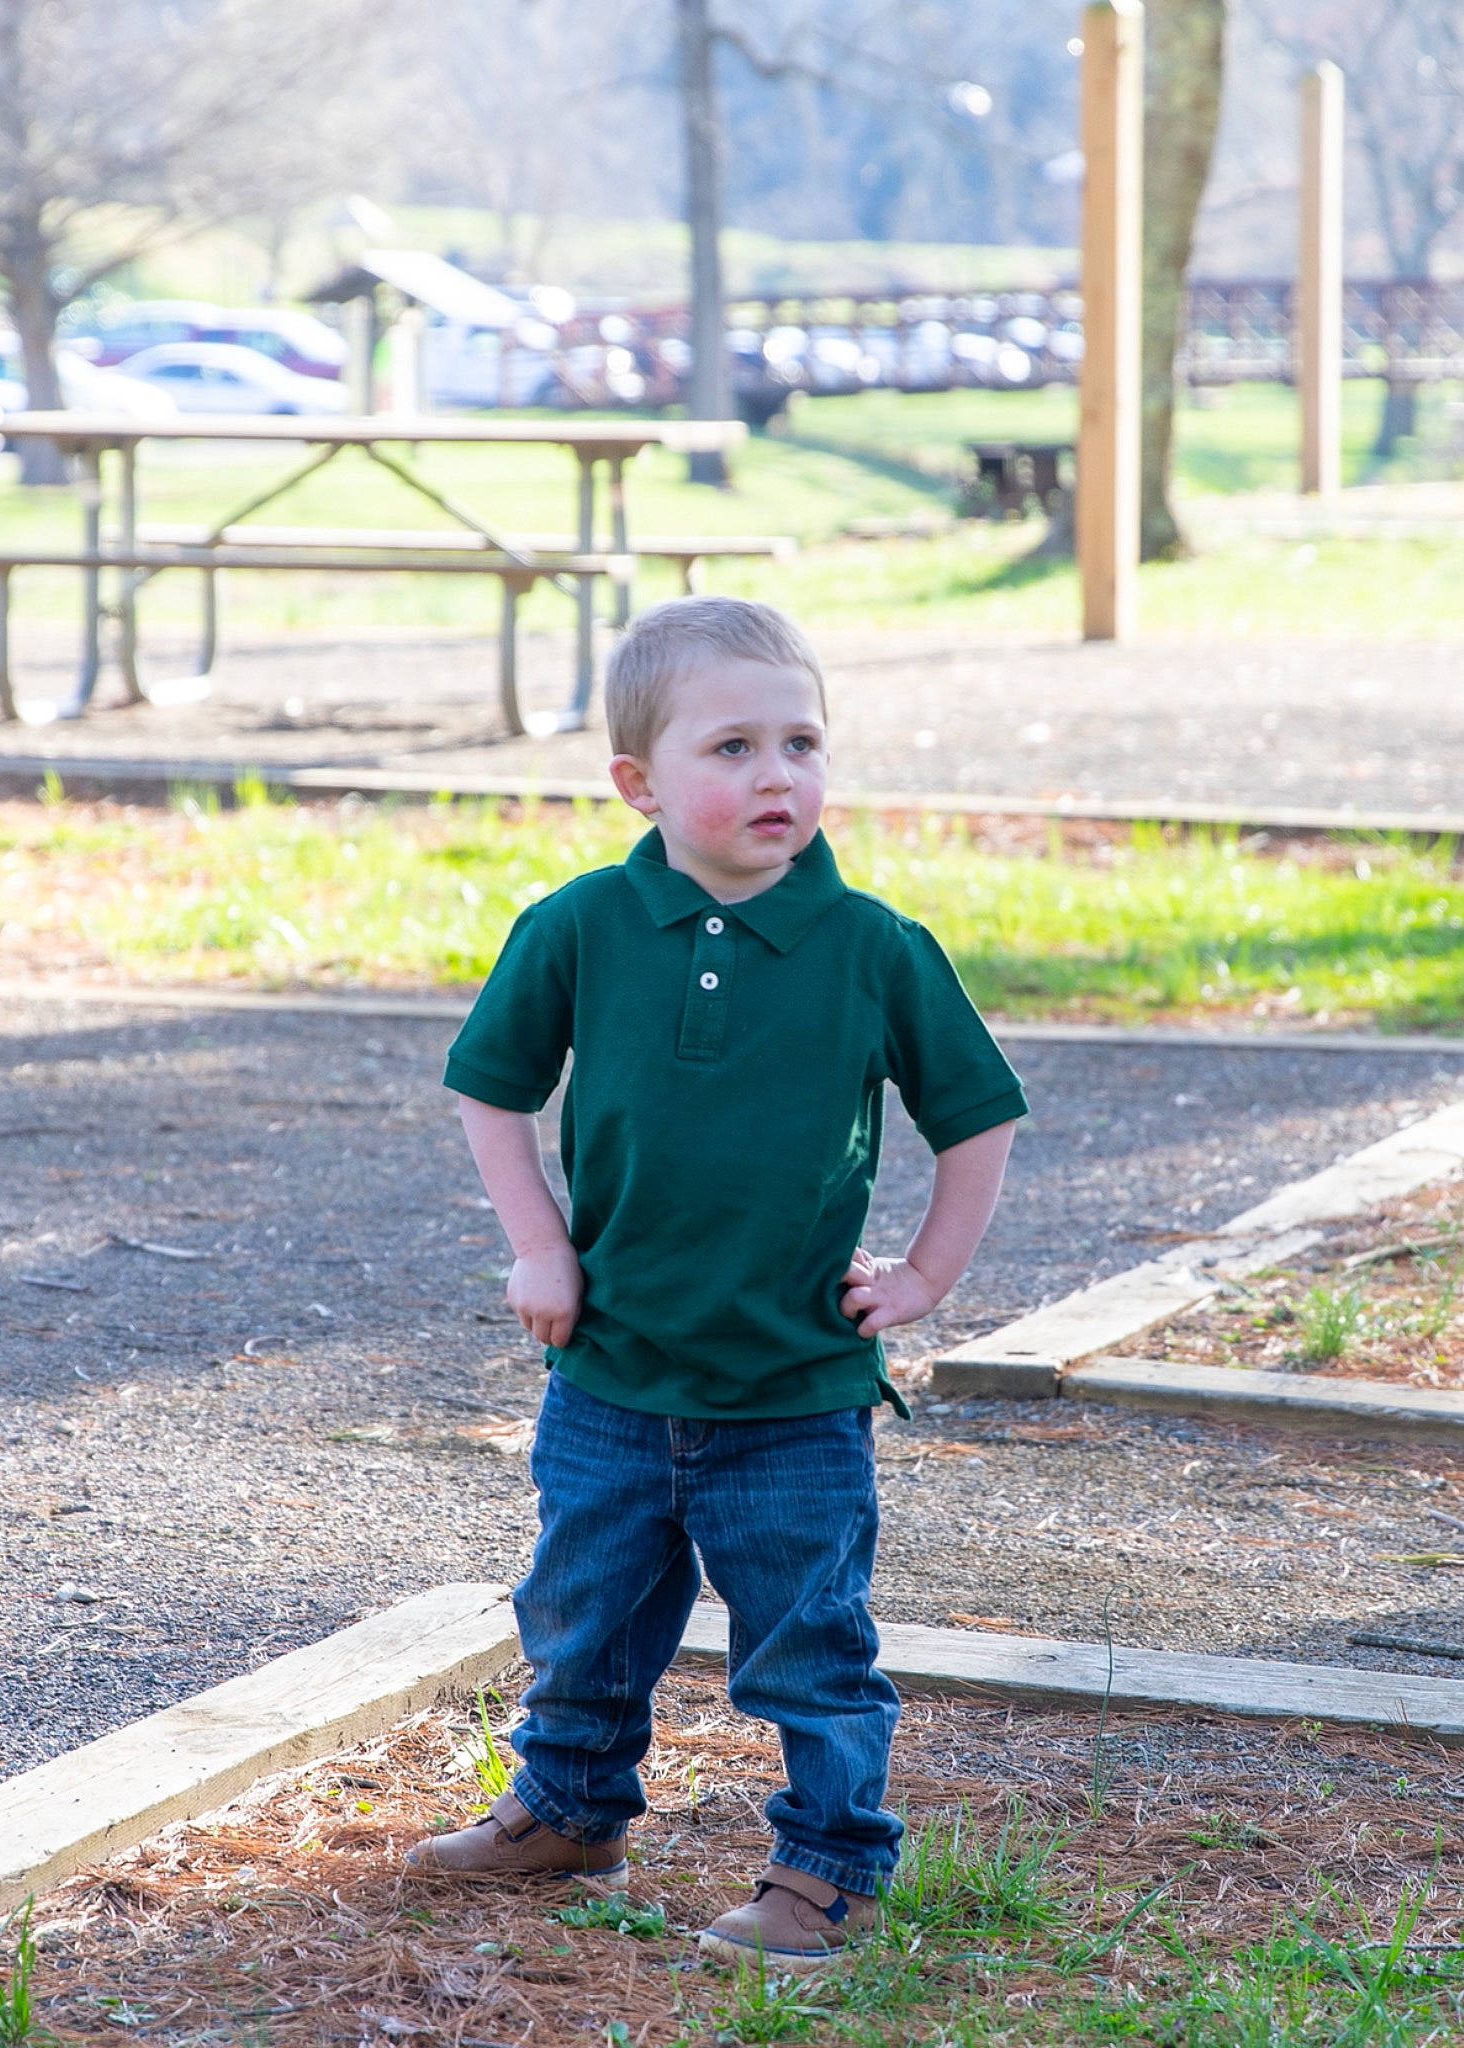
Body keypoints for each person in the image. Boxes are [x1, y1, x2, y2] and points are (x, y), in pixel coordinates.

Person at [404, 597, 1026, 1967]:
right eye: (733, 746)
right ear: (640, 782)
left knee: (809, 1651)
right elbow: (488, 1091)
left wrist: (927, 1270)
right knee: (580, 1619)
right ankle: (568, 1807)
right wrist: (539, 1245)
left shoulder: (874, 947)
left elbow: (976, 1116)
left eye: (801, 743)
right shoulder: (579, 927)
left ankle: (831, 1870)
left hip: (794, 1393)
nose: (777, 775)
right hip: (613, 1379)